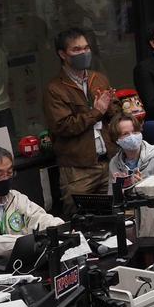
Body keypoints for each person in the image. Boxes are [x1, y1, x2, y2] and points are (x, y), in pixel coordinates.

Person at [43, 28, 121, 214]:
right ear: (62, 54)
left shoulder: (98, 78)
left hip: (109, 161)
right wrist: (97, 111)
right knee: (79, 220)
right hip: (78, 170)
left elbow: (115, 113)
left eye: (86, 48)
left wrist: (109, 106)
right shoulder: (55, 88)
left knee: (114, 216)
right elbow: (63, 126)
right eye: (76, 50)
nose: (84, 53)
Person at [0, 145, 64, 260]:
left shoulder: (15, 198)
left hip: (21, 262)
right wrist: (28, 242)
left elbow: (38, 217)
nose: (5, 178)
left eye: (9, 173)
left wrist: (60, 229)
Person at [106, 113, 154, 193]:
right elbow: (112, 200)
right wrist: (119, 190)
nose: (132, 137)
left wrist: (143, 187)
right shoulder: (114, 163)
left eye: (135, 132)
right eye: (125, 134)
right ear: (116, 140)